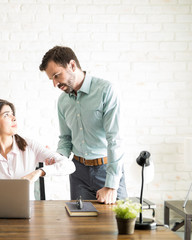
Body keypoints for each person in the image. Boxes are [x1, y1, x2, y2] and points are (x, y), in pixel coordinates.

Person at [39, 46, 127, 204]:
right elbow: (66, 138)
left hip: (107, 169)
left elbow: (115, 139)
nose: (55, 84)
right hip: (78, 172)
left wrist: (112, 185)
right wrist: (58, 157)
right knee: (80, 227)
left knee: (115, 226)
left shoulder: (106, 90)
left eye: (57, 76)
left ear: (72, 65)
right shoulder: (62, 101)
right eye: (51, 79)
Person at [0, 99, 75, 202]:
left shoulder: (30, 146)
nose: (14, 118)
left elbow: (69, 166)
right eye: (6, 115)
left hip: (28, 215)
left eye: (13, 114)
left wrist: (39, 172)